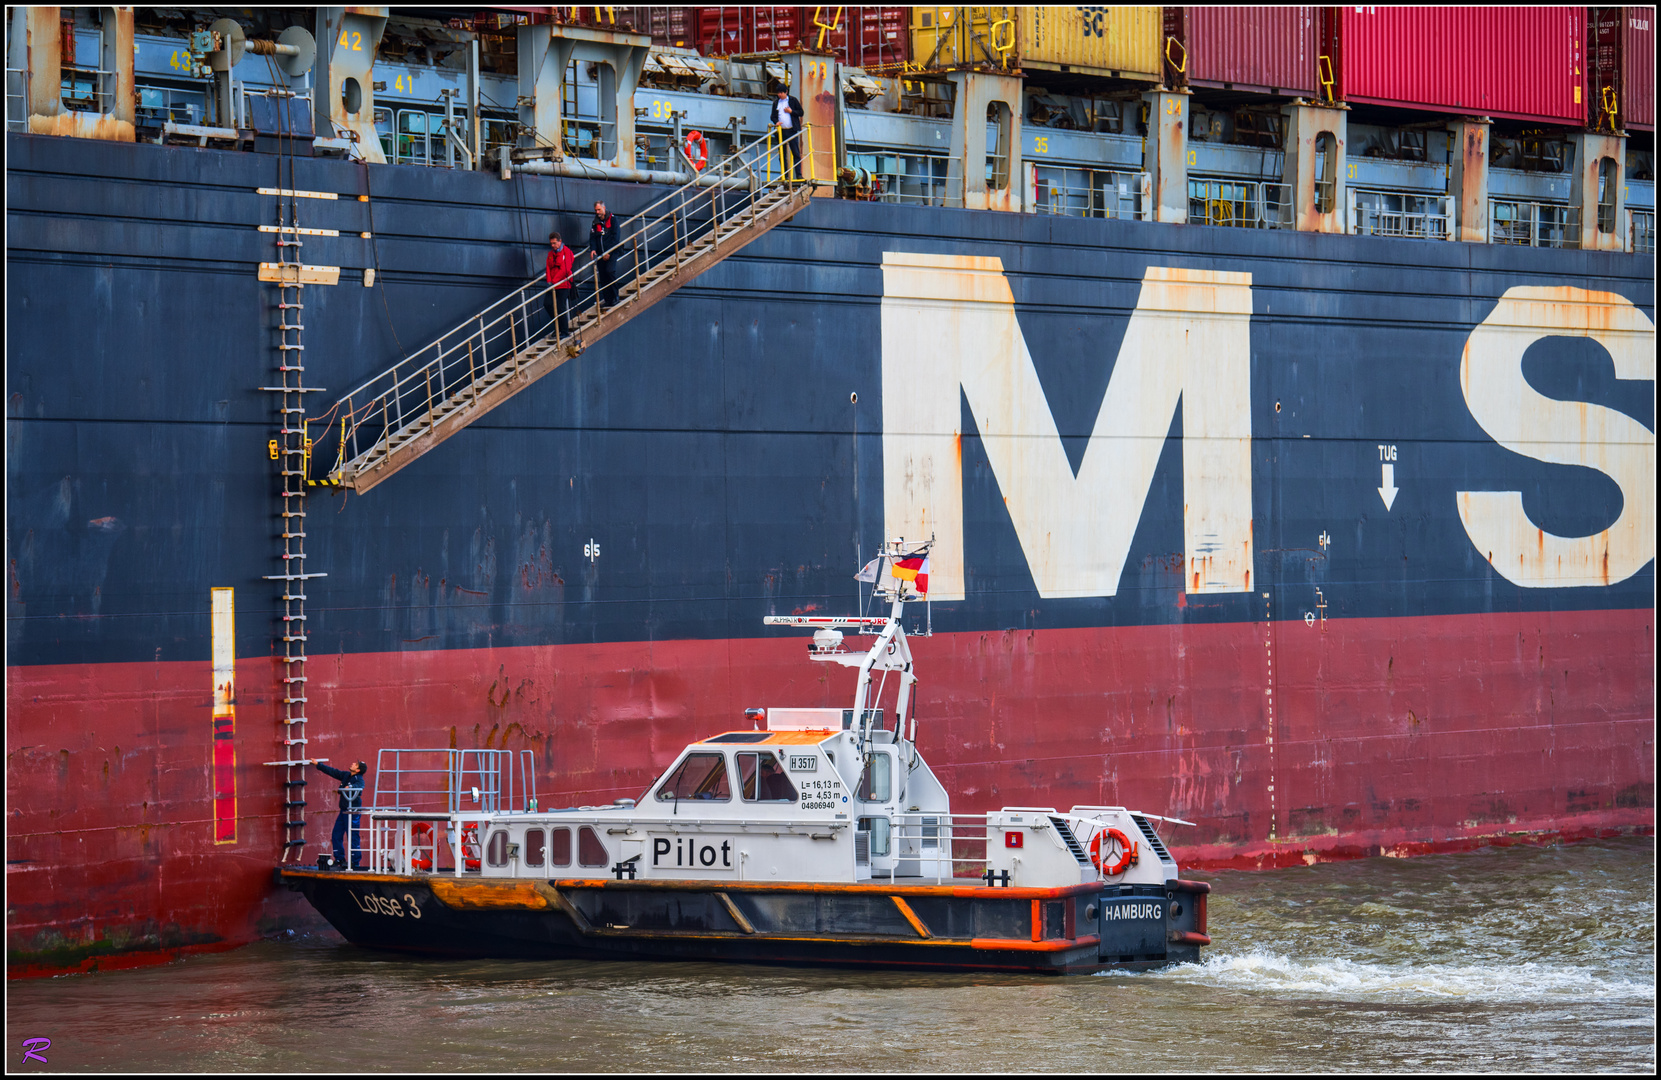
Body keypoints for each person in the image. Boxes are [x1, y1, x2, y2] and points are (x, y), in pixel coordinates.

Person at [316, 760, 367, 870]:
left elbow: (360, 786)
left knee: (353, 836)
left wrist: (351, 788)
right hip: (344, 810)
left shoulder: (359, 779)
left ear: (358, 770)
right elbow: (333, 772)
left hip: (353, 811)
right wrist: (318, 765)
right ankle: (339, 858)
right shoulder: (346, 775)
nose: (352, 763)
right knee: (336, 834)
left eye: (355, 764)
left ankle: (355, 862)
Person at [587, 201, 620, 312]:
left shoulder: (613, 219)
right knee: (603, 275)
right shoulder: (595, 223)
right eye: (596, 210)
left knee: (610, 271)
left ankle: (615, 296)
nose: (597, 212)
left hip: (612, 252)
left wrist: (609, 252)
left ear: (604, 208)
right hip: (600, 253)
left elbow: (616, 237)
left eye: (599, 210)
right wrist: (593, 250)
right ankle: (608, 299)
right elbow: (593, 238)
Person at [769, 82, 805, 182]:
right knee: (782, 154)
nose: (779, 95)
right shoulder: (776, 103)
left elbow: (801, 112)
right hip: (781, 132)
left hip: (792, 130)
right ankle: (785, 175)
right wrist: (776, 122)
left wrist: (791, 112)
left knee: (796, 153)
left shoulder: (793, 100)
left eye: (781, 93)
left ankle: (798, 174)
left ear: (786, 92)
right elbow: (773, 116)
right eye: (778, 93)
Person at [544, 230, 575, 342]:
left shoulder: (567, 252)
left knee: (560, 306)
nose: (553, 246)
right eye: (551, 244)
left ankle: (564, 331)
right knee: (547, 304)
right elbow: (548, 268)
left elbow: (565, 269)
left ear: (560, 241)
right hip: (553, 285)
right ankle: (558, 327)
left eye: (554, 243)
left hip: (563, 284)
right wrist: (549, 281)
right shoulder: (551, 254)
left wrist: (554, 281)